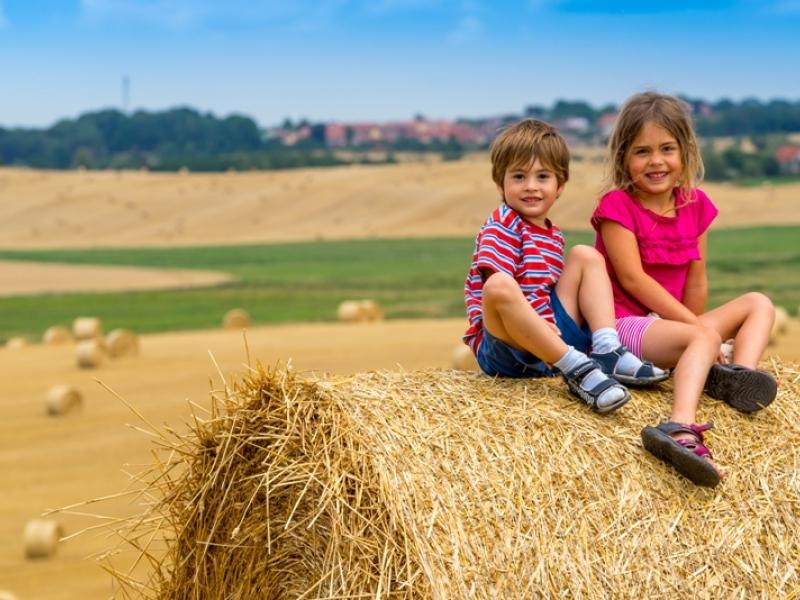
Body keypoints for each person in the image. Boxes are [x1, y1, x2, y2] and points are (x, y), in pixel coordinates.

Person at [592, 91, 778, 487]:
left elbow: (697, 278)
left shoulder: (695, 204)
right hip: (628, 324)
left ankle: (733, 375)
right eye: (642, 151)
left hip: (677, 324)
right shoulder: (616, 207)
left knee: (759, 304)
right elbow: (632, 279)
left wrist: (699, 328)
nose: (656, 161)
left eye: (666, 149)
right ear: (624, 157)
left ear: (685, 152)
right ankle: (678, 426)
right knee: (701, 336)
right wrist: (701, 331)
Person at [463, 119, 667, 415]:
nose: (531, 187)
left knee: (586, 255)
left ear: (560, 186)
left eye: (542, 177)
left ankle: (607, 350)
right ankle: (579, 370)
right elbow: (495, 284)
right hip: (506, 347)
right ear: (501, 184)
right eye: (519, 177)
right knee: (498, 285)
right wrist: (532, 325)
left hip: (549, 339)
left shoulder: (552, 234)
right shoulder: (504, 223)